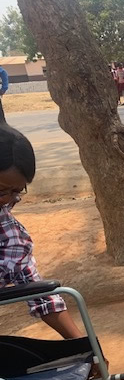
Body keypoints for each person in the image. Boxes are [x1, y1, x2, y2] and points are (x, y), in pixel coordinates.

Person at [0, 123, 84, 339]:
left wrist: (84, 346)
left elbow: (38, 292)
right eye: (2, 190)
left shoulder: (10, 237)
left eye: (16, 192)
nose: (7, 200)